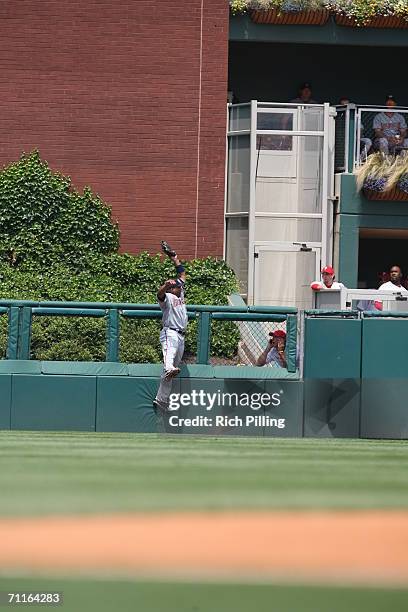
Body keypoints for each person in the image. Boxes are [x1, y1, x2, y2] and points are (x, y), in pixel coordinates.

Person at [153, 241, 188, 415]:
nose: (179, 287)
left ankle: (161, 400)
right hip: (170, 332)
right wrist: (166, 286)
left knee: (170, 372)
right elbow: (158, 294)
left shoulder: (180, 293)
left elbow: (182, 273)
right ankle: (168, 368)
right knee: (169, 364)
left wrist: (174, 257)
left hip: (181, 335)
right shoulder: (166, 296)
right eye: (177, 286)